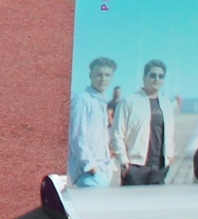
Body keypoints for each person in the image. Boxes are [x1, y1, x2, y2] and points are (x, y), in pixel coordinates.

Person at [113, 59, 175, 186]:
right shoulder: (129, 102)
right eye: (152, 75)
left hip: (159, 167)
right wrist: (124, 162)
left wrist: (169, 155)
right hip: (135, 167)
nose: (156, 79)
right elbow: (117, 134)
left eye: (160, 76)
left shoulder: (167, 104)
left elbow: (170, 133)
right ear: (144, 77)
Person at [68, 57, 118, 188]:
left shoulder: (101, 101)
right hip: (89, 174)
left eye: (107, 75)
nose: (103, 79)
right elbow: (77, 139)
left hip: (103, 170)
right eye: (99, 74)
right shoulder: (83, 100)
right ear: (91, 75)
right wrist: (92, 168)